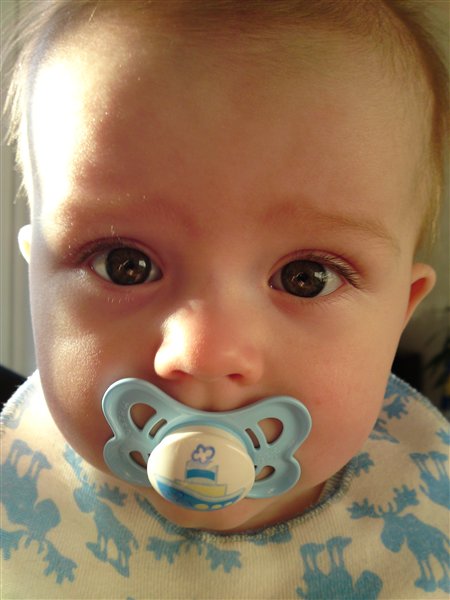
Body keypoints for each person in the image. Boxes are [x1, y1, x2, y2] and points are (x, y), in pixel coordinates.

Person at [1, 1, 449, 598]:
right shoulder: (16, 485)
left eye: (307, 277)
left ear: (400, 311)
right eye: (124, 265)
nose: (205, 354)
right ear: (36, 277)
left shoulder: (429, 511)